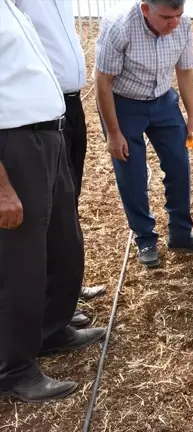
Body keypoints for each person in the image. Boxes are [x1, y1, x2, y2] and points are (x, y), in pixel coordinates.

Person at [0, 0, 106, 403]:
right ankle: (13, 368)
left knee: (62, 239)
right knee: (19, 262)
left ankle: (50, 328)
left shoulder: (12, 8)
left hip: (47, 135)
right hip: (14, 144)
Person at [95, 0, 193, 268]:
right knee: (132, 172)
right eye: (166, 18)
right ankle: (146, 238)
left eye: (178, 15)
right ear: (146, 9)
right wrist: (114, 133)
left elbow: (184, 71)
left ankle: (181, 233)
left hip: (162, 99)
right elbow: (102, 82)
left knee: (179, 164)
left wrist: (192, 116)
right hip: (124, 103)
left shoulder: (182, 24)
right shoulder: (119, 27)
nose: (174, 23)